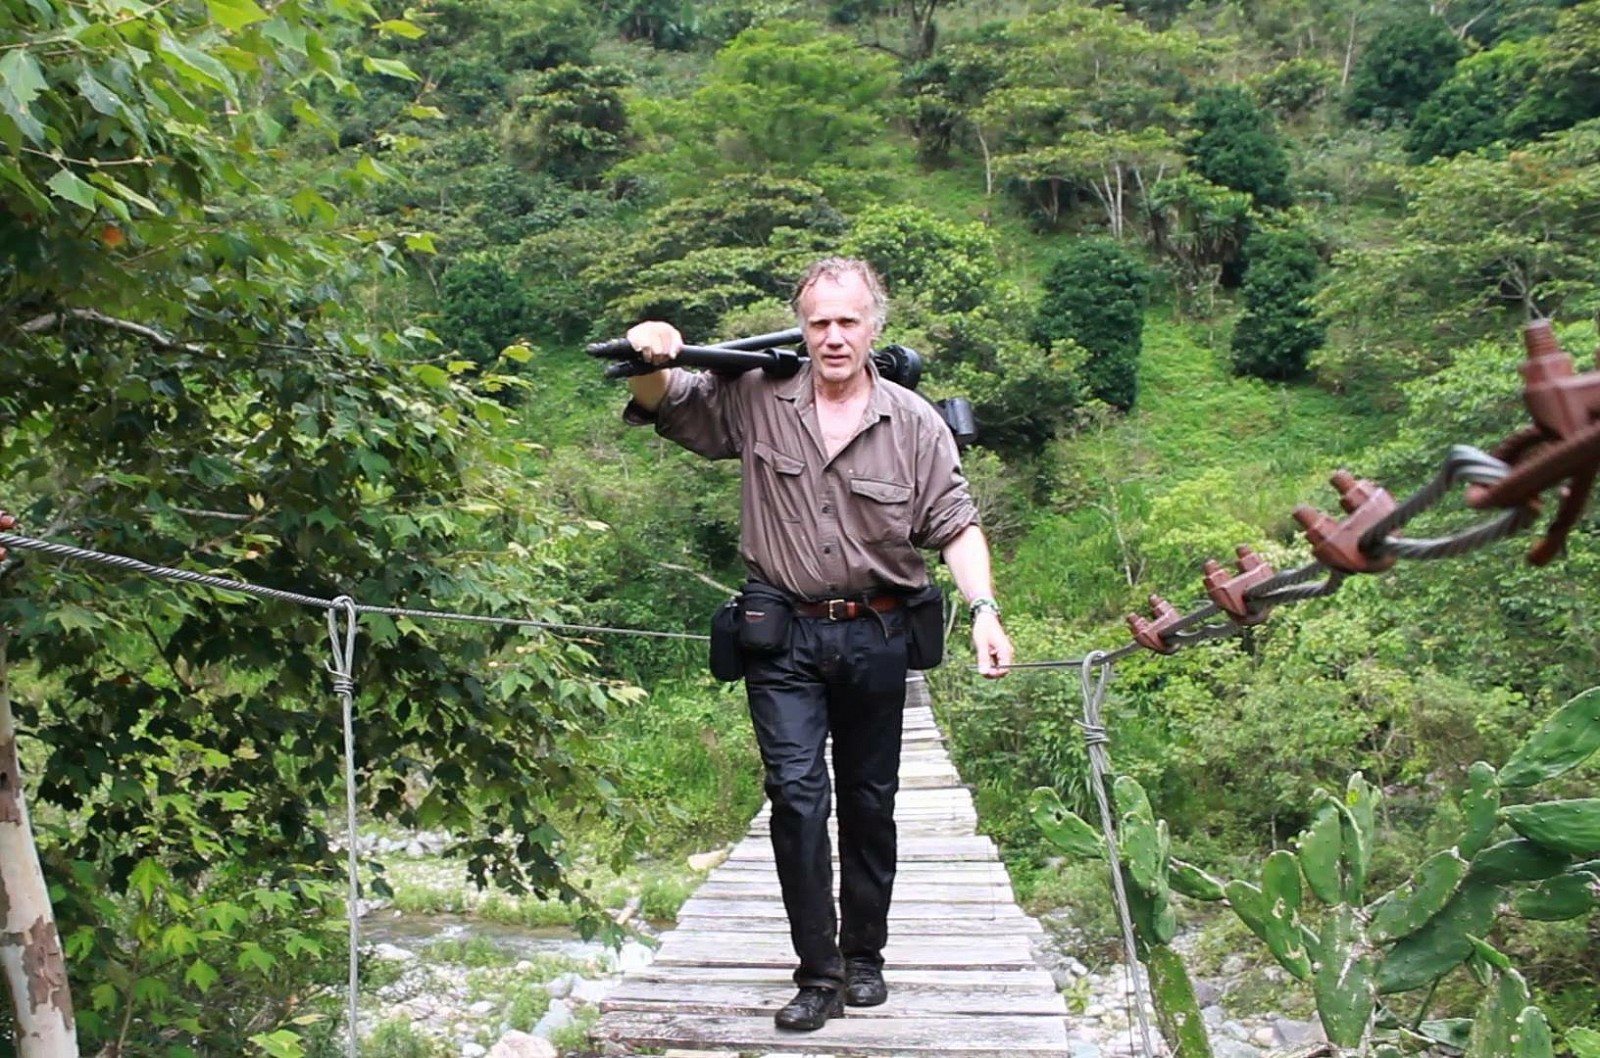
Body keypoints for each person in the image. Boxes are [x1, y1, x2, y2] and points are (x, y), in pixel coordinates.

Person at [620, 257, 1013, 1032]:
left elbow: (956, 524)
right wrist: (650, 353)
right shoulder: (758, 395)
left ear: (874, 326)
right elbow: (670, 402)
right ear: (802, 327)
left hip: (878, 633)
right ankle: (818, 973)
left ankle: (866, 957)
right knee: (798, 800)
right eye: (819, 322)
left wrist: (985, 610)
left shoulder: (914, 421)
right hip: (783, 635)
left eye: (848, 321)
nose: (833, 337)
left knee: (871, 803)